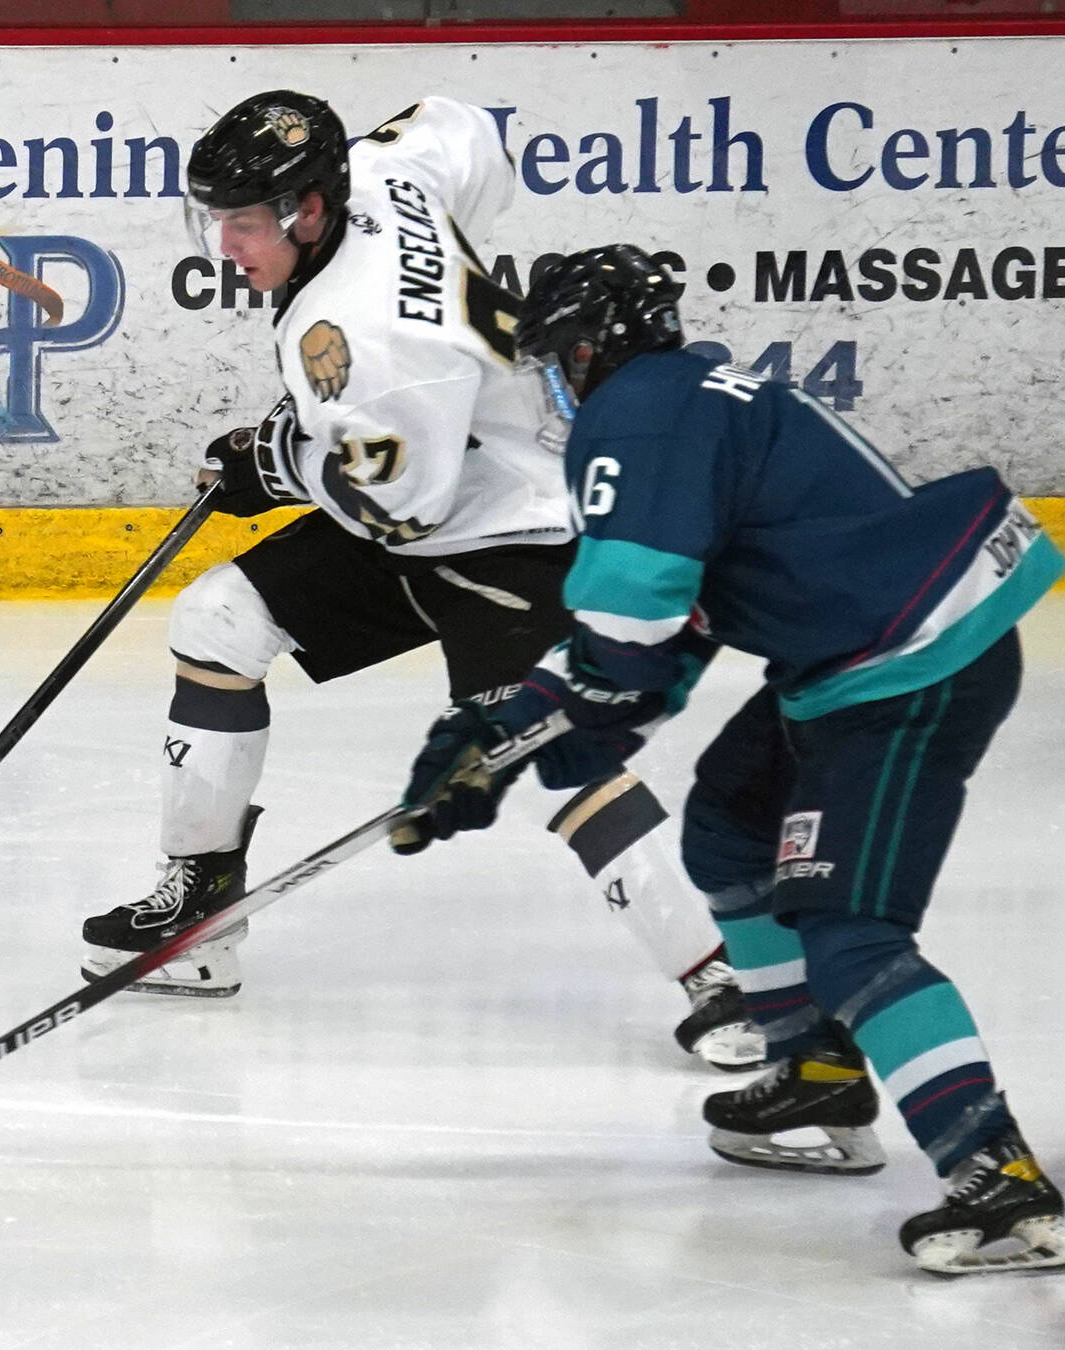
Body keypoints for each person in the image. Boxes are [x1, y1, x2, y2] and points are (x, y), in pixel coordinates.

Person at [399, 245, 1065, 1276]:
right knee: (728, 815)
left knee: (846, 922)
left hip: (904, 667)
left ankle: (993, 1177)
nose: (548, 385)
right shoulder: (689, 395)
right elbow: (659, 650)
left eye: (550, 361)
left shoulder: (637, 410)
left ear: (586, 349)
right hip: (870, 647)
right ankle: (812, 1064)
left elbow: (630, 632)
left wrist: (511, 733)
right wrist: (512, 725)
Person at [79, 92, 758, 1069]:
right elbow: (464, 129)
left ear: (309, 211)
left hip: (515, 529)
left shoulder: (365, 336)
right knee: (218, 619)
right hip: (444, 481)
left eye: (242, 224)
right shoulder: (383, 170)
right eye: (213, 220)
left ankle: (717, 978)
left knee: (544, 755)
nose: (223, 245)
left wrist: (275, 463)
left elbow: (405, 509)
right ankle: (199, 906)